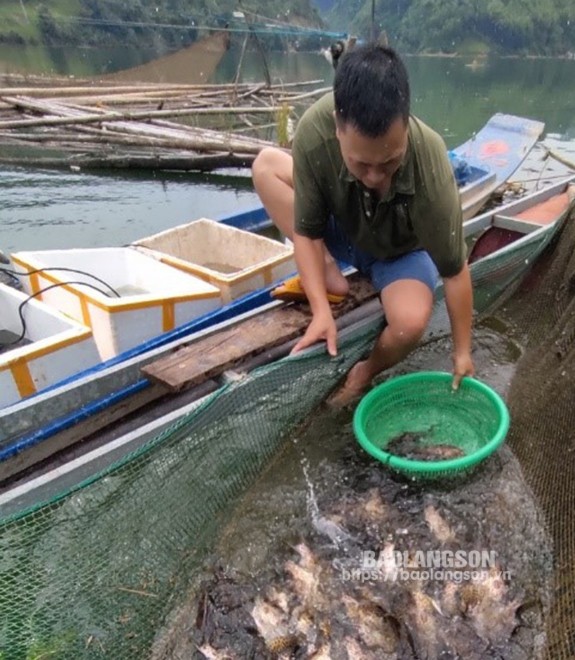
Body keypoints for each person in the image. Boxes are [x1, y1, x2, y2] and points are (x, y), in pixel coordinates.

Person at [251, 43, 475, 406]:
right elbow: (306, 232)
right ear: (338, 129)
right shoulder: (315, 132)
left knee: (409, 324)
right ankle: (327, 270)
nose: (374, 177)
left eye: (388, 163)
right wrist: (321, 312)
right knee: (265, 165)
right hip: (343, 227)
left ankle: (365, 372)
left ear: (406, 124)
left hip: (398, 252)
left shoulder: (430, 163)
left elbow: (454, 271)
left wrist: (462, 351)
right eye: (360, 165)